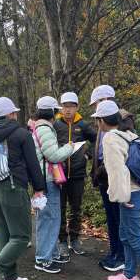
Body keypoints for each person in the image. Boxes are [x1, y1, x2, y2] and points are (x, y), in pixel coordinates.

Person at [92, 100, 140, 280]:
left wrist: (121, 197)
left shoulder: (110, 138)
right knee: (125, 234)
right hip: (137, 191)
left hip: (129, 195)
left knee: (135, 238)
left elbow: (116, 171)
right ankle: (130, 275)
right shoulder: (128, 134)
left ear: (101, 121)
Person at [0, 97, 45, 280]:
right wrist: (39, 188)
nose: (16, 115)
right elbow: (33, 164)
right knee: (21, 236)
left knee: (2, 236)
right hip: (13, 189)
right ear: (10, 114)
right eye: (14, 112)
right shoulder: (21, 134)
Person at [33, 96, 74, 273]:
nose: (57, 114)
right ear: (51, 112)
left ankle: (52, 253)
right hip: (48, 180)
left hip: (44, 179)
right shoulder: (45, 129)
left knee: (51, 218)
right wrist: (69, 148)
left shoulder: (38, 127)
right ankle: (43, 259)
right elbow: (53, 155)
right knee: (49, 219)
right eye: (56, 111)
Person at [54, 92, 97, 257]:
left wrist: (88, 155)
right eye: (65, 106)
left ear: (77, 107)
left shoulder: (83, 125)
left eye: (71, 106)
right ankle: (62, 241)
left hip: (78, 174)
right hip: (59, 174)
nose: (68, 110)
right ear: (61, 108)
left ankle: (75, 239)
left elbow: (96, 139)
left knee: (76, 208)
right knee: (60, 208)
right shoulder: (56, 124)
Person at [90, 85, 126, 272]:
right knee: (112, 218)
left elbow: (122, 153)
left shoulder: (122, 119)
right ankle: (114, 253)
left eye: (96, 102)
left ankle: (121, 256)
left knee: (118, 219)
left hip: (115, 178)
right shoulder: (103, 120)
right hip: (105, 178)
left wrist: (102, 169)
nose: (95, 107)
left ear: (104, 99)